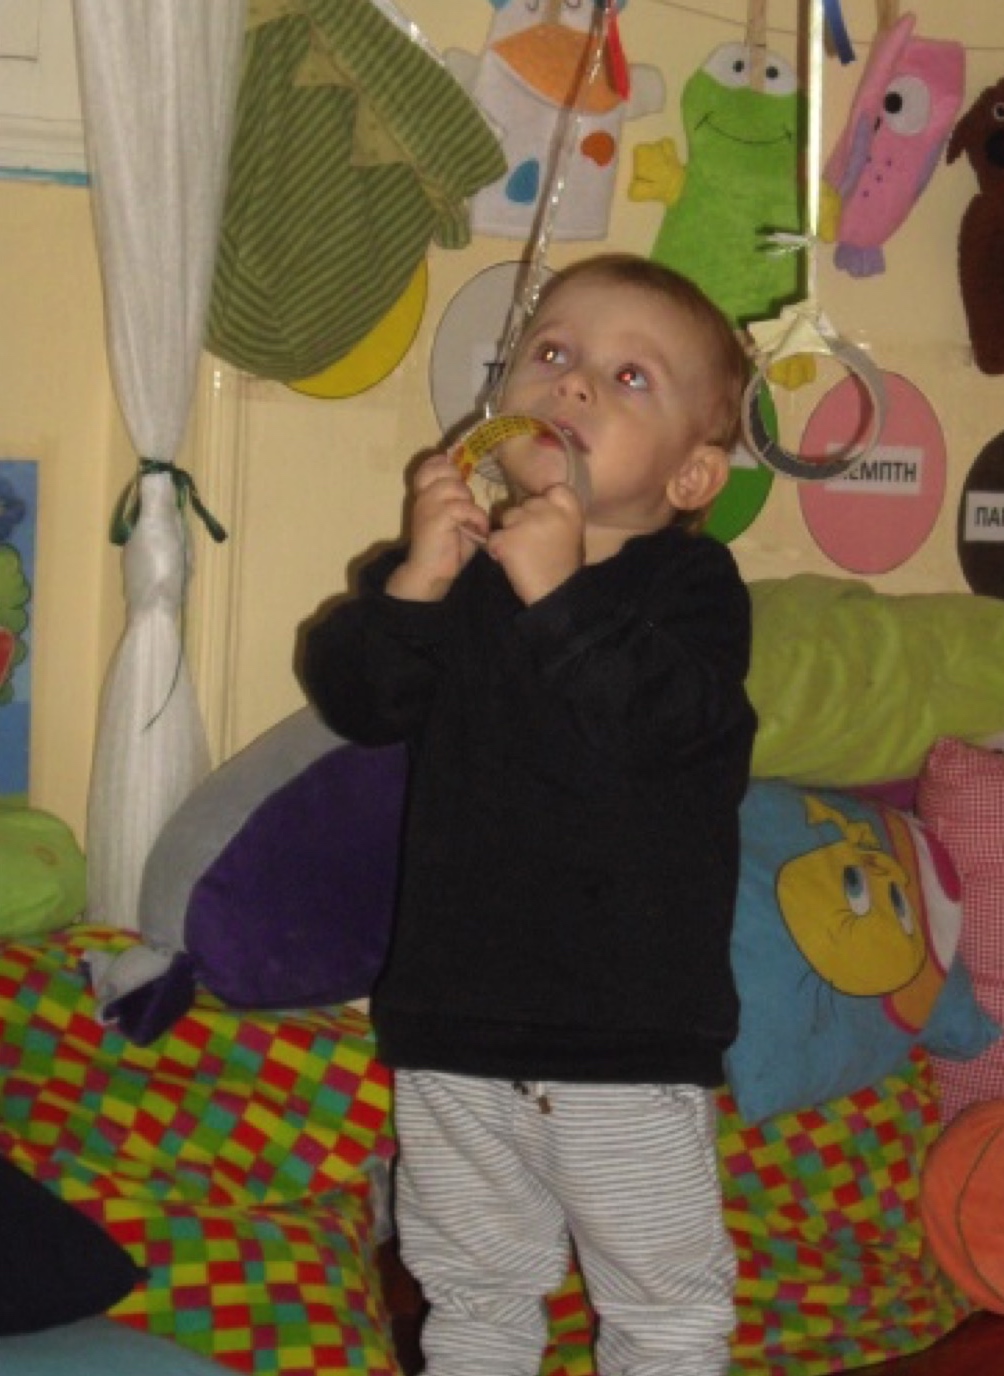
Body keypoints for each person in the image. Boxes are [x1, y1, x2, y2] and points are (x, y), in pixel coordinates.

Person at [299, 252, 757, 1376]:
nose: (575, 382)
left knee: (664, 1310)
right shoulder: (455, 573)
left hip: (627, 1037)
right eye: (552, 352)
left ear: (693, 476)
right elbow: (359, 697)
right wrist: (417, 576)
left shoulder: (692, 591)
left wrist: (559, 588)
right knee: (474, 1296)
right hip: (453, 1027)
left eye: (630, 376)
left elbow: (672, 732)